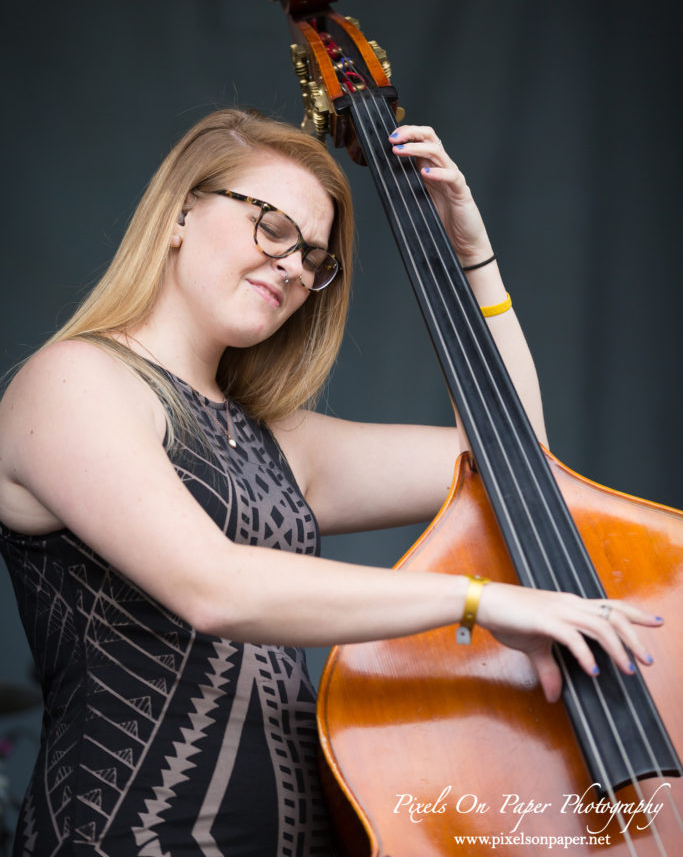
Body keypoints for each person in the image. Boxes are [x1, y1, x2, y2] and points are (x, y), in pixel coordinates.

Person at [0, 108, 661, 856]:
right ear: (183, 210)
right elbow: (212, 588)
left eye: (313, 256)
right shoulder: (72, 382)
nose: (292, 266)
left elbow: (519, 459)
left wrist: (472, 256)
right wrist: (477, 600)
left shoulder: (275, 439)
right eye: (273, 226)